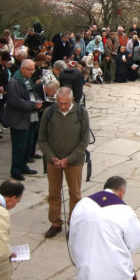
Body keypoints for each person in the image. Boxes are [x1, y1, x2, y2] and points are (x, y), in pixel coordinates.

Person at [38, 87, 91, 238]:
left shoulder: (81, 113)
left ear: (72, 100)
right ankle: (55, 223)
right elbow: (42, 139)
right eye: (59, 103)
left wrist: (70, 159)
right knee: (53, 193)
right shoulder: (48, 113)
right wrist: (51, 157)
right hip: (53, 161)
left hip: (74, 161)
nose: (62, 106)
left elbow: (84, 140)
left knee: (75, 194)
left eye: (65, 103)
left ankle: (73, 224)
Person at [3, 59, 42, 181]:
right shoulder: (14, 82)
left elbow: (32, 93)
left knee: (28, 143)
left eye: (33, 69)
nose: (32, 72)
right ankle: (16, 170)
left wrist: (38, 100)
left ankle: (24, 165)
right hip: (19, 119)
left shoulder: (27, 79)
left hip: (30, 117)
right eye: (30, 70)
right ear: (23, 69)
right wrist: (33, 105)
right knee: (19, 146)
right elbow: (15, 101)